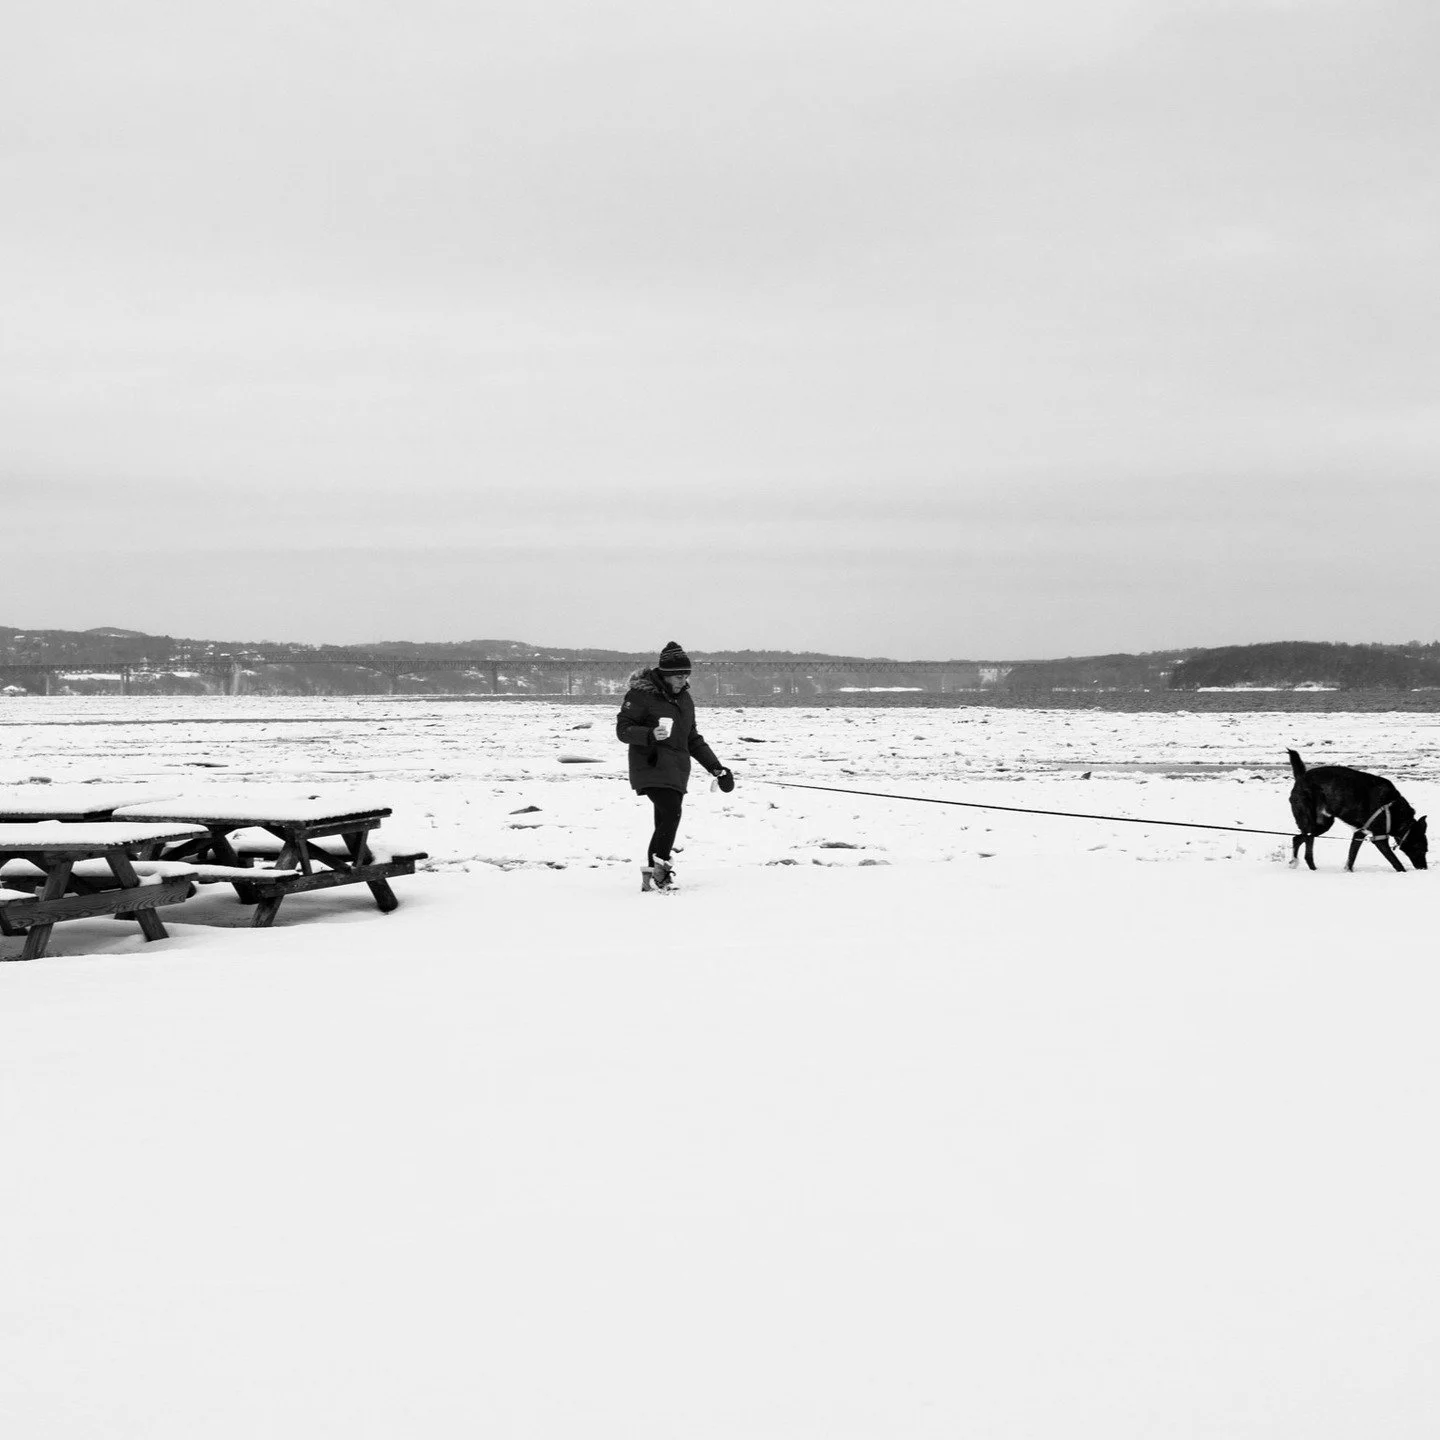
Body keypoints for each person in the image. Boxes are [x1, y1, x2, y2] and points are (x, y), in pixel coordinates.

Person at [615, 641, 734, 891]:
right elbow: (623, 730)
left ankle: (651, 879)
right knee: (671, 813)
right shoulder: (641, 695)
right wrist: (649, 734)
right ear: (665, 674)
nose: (682, 680)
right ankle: (660, 874)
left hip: (677, 770)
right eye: (678, 675)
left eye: (686, 674)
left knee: (665, 820)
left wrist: (716, 768)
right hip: (650, 765)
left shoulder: (685, 700)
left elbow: (692, 739)